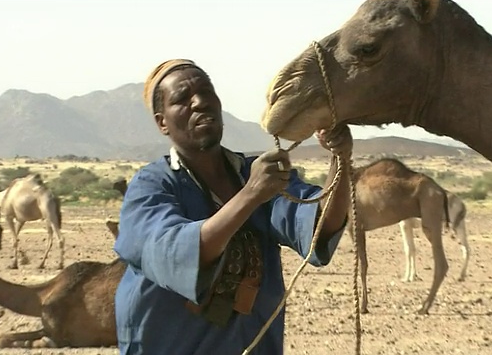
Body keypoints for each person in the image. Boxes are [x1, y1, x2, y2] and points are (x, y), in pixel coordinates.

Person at [113, 59, 354, 355]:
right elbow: (177, 252)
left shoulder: (254, 173)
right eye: (182, 99)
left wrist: (340, 158)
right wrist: (250, 194)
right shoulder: (150, 187)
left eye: (206, 91)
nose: (200, 102)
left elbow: (320, 226)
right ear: (163, 122)